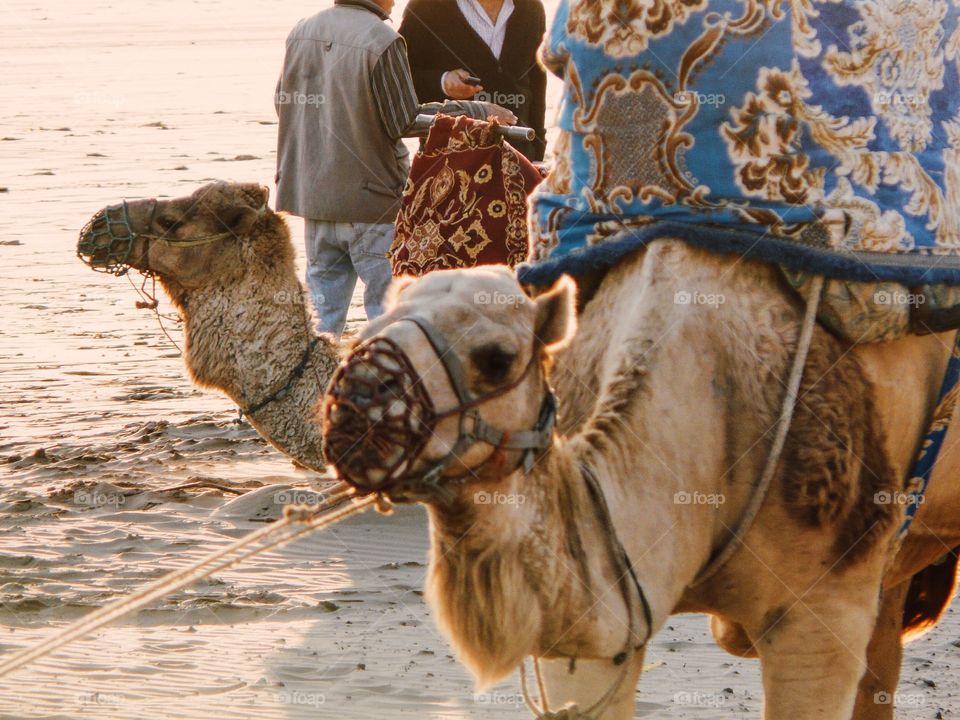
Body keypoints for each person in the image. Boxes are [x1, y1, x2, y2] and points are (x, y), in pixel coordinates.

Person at [275, 0, 516, 339]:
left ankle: (313, 388)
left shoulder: (302, 30)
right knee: (386, 315)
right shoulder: (381, 38)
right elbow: (403, 119)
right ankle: (385, 387)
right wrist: (475, 109)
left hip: (314, 199)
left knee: (322, 319)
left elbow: (282, 104)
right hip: (373, 201)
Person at [399, 0, 547, 162]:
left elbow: (537, 85)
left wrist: (537, 153)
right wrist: (442, 82)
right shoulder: (425, 7)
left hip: (519, 162)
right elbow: (399, 86)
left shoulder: (532, 8)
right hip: (449, 168)